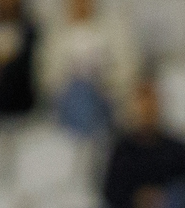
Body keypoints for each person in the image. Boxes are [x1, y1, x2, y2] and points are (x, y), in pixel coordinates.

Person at [63, 79, 185, 208]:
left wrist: (162, 199)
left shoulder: (176, 148)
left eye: (150, 105)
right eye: (141, 106)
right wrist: (135, 200)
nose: (145, 111)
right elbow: (109, 191)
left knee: (178, 199)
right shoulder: (122, 148)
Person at [39, 0, 135, 138]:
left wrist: (103, 79)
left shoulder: (112, 29)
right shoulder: (56, 33)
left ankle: (84, 139)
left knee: (87, 93)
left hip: (105, 94)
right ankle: (88, 139)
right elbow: (46, 75)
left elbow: (127, 68)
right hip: (68, 97)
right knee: (80, 92)